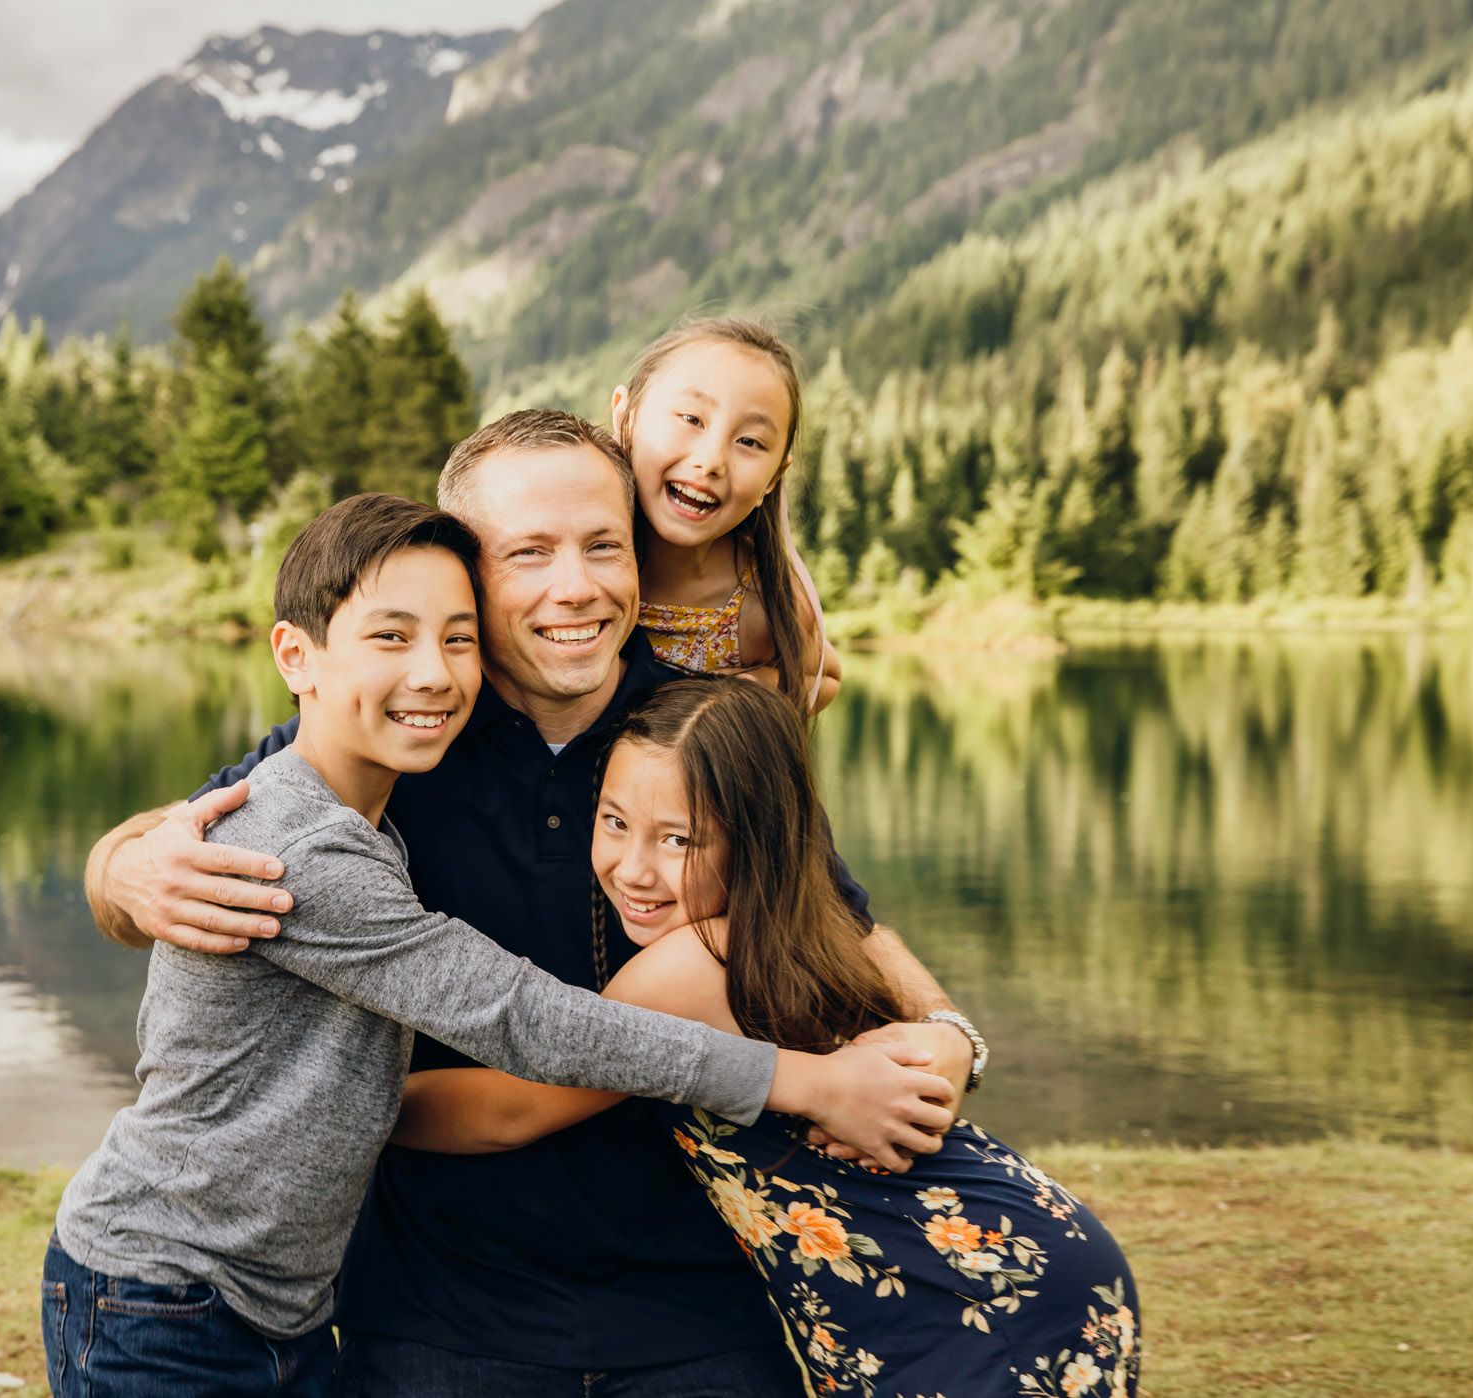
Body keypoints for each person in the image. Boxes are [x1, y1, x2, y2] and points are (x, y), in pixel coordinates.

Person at [83, 411, 984, 1396]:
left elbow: (837, 919)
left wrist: (945, 1031)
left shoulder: (704, 725)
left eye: (604, 545)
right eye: (529, 554)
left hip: (699, 1307)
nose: (576, 586)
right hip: (435, 1314)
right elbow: (202, 838)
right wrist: (119, 869)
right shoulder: (399, 726)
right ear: (470, 575)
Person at [394, 676, 1142, 1398]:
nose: (633, 869)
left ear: (754, 841)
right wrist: (951, 1034)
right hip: (982, 1271)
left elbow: (514, 1110)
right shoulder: (800, 926)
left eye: (679, 840)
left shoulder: (691, 968)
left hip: (967, 1290)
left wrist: (343, 1103)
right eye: (615, 821)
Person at [613, 317, 843, 713]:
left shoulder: (759, 598)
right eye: (691, 419)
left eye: (750, 441)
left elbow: (824, 675)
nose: (711, 461)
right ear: (626, 418)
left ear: (774, 479)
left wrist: (747, 691)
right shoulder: (575, 555)